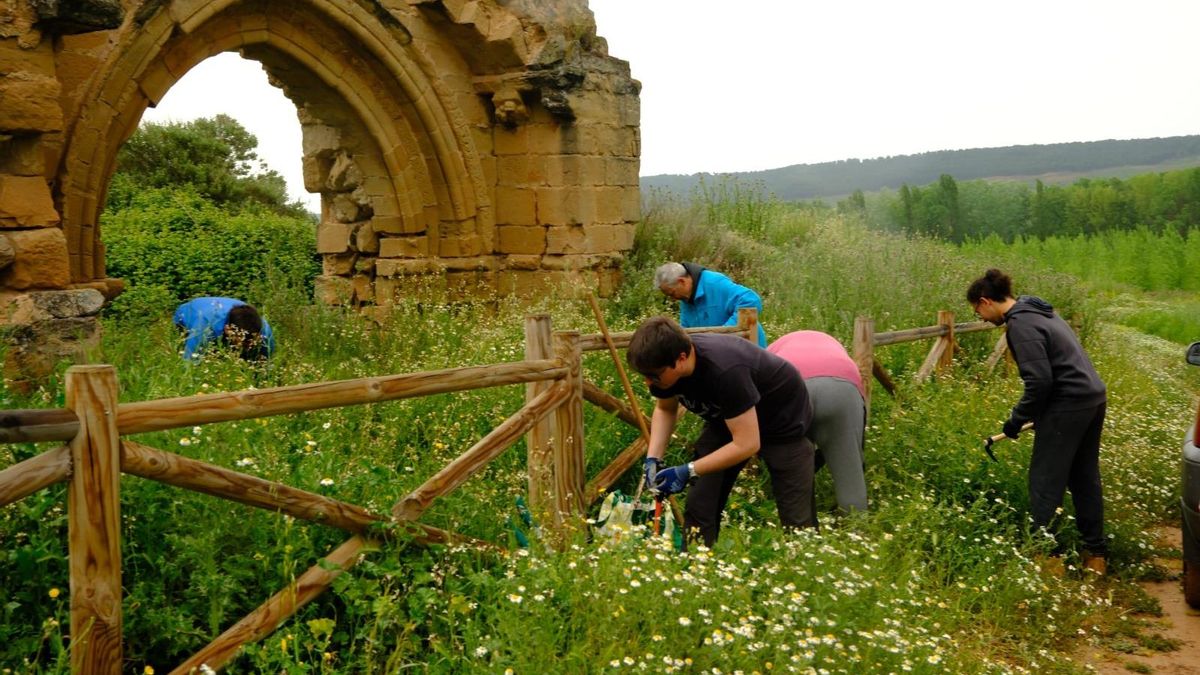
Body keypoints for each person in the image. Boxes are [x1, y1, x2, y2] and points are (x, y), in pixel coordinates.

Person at [967, 269, 1108, 574]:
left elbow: (1040, 383)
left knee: (1045, 482)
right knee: (1084, 478)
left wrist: (1015, 421)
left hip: (1068, 404)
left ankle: (1048, 560)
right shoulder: (1042, 312)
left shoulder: (1022, 324)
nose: (980, 318)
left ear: (985, 301)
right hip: (1092, 399)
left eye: (977, 311)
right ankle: (1095, 557)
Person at [629, 316, 815, 547]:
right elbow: (666, 409)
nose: (648, 383)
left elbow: (748, 443)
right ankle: (696, 564)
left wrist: (687, 470)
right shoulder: (665, 369)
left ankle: (802, 561)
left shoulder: (725, 370)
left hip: (781, 420)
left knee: (795, 515)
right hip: (727, 419)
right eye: (644, 376)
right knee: (701, 499)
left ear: (682, 358)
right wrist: (653, 459)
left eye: (653, 375)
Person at [767, 330, 868, 514]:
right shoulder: (834, 346)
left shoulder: (772, 350)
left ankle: (797, 533)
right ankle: (857, 529)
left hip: (790, 387)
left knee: (790, 465)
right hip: (842, 387)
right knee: (850, 474)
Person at [654, 262, 768, 347]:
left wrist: (724, 334)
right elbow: (688, 333)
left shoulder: (714, 282)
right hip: (724, 355)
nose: (673, 299)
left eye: (672, 293)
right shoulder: (685, 299)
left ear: (682, 282)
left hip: (750, 351)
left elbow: (751, 300)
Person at [173, 297, 275, 361]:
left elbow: (266, 365)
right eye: (244, 342)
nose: (248, 346)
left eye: (251, 342)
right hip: (186, 315)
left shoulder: (265, 332)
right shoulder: (205, 326)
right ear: (227, 329)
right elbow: (189, 362)